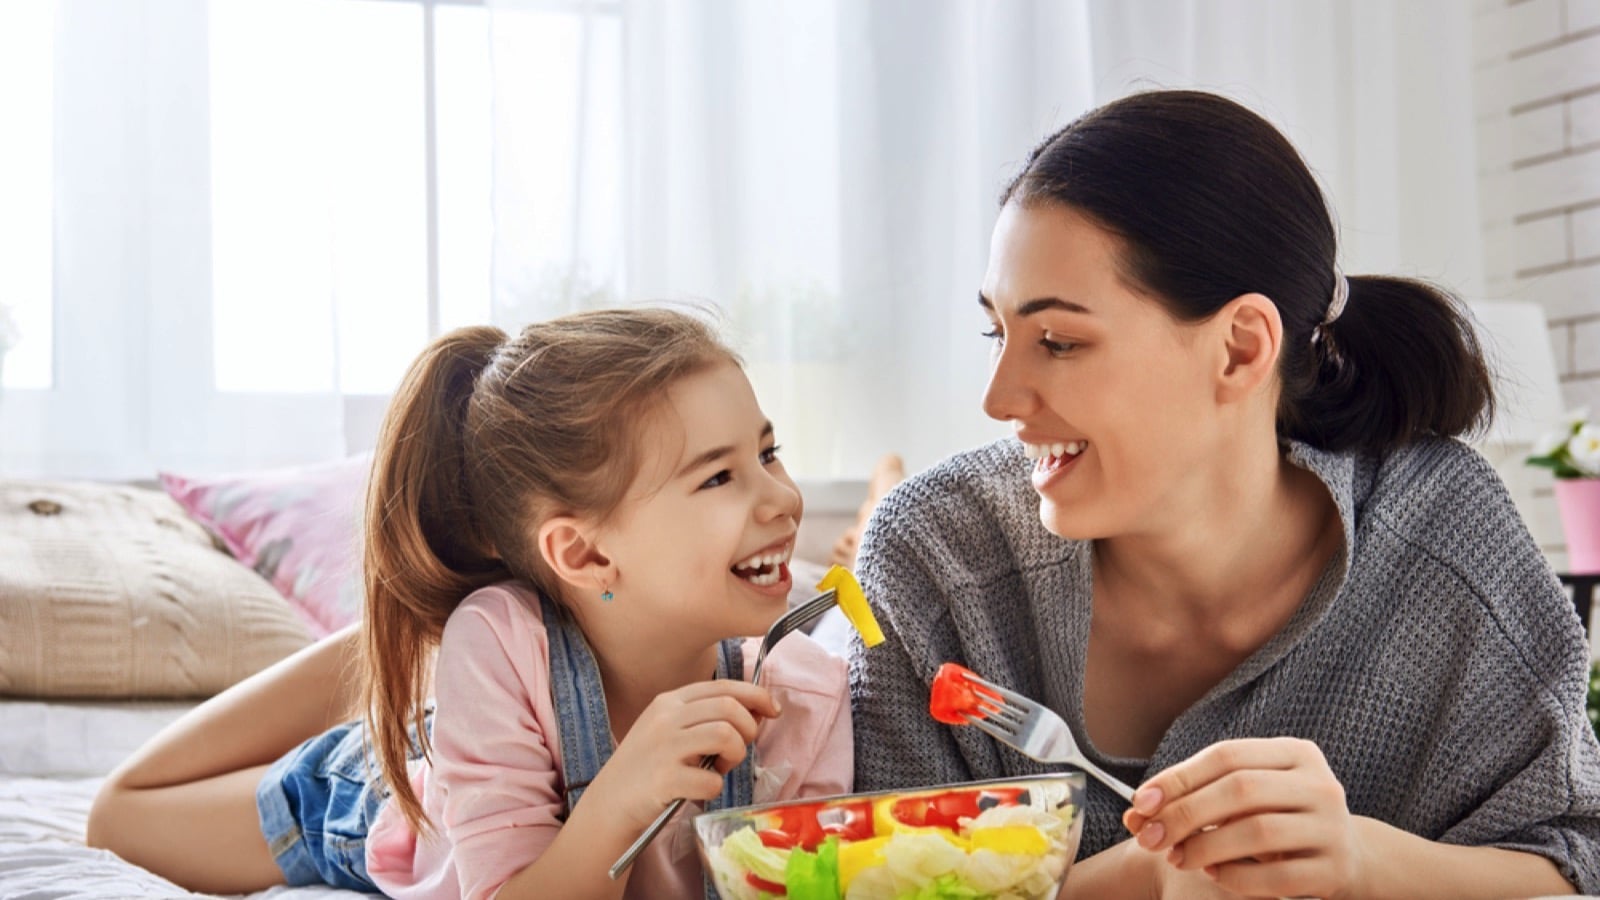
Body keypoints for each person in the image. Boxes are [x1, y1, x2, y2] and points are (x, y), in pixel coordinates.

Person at [847, 89, 1600, 900]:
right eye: (999, 334)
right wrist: (1147, 874)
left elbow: (1576, 860)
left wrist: (1361, 862)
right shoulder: (932, 558)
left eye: (1058, 342)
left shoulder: (1441, 537)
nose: (999, 398)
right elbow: (872, 887)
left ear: (1241, 349)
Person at [86, 307, 852, 900]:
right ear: (582, 553)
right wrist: (625, 790)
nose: (781, 498)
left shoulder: (805, 696)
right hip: (393, 798)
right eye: (719, 477)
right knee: (121, 811)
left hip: (481, 722)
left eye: (768, 453)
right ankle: (407, 645)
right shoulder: (499, 642)